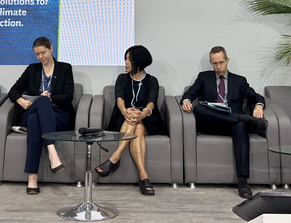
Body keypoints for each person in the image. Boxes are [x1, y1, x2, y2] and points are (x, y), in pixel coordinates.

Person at [181, 46, 268, 198]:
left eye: (221, 62)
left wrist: (259, 105)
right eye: (215, 63)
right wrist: (186, 100)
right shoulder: (204, 77)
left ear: (227, 60)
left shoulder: (239, 81)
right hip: (211, 123)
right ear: (211, 63)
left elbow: (257, 97)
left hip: (232, 124)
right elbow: (190, 93)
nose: (219, 67)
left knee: (240, 127)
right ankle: (244, 119)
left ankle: (242, 182)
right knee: (198, 109)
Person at [8, 37, 75, 195]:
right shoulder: (32, 69)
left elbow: (68, 96)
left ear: (51, 49)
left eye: (43, 52)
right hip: (32, 109)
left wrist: (50, 98)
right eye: (37, 54)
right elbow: (13, 91)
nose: (40, 57)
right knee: (40, 104)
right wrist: (20, 101)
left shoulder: (65, 68)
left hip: (58, 115)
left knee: (34, 121)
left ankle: (32, 178)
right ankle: (52, 152)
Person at [95, 45, 164, 196]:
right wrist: (126, 111)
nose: (125, 63)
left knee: (138, 123)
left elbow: (152, 101)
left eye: (129, 60)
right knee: (136, 126)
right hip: (123, 115)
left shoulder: (152, 81)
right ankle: (143, 176)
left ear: (139, 62)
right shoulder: (122, 78)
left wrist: (143, 114)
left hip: (147, 117)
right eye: (125, 59)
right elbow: (119, 98)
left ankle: (114, 158)